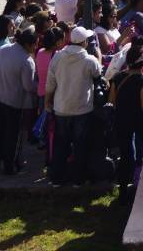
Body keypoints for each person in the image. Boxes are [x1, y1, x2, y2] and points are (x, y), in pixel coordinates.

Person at [45, 26, 103, 186]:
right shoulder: (89, 60)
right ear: (84, 42)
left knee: (60, 145)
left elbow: (50, 83)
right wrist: (98, 55)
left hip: (61, 107)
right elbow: (98, 74)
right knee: (80, 145)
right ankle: (78, 180)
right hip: (82, 109)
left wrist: (47, 101)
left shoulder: (58, 57)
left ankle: (57, 179)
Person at [0, 27, 38, 174]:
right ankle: (10, 166)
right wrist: (39, 86)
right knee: (11, 135)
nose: (36, 47)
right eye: (35, 44)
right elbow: (28, 86)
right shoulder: (27, 61)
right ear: (28, 44)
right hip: (12, 103)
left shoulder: (3, 49)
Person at [111, 43, 143, 202]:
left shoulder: (117, 77)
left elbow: (112, 101)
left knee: (125, 155)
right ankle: (142, 188)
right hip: (139, 123)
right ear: (142, 63)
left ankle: (123, 190)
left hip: (121, 121)